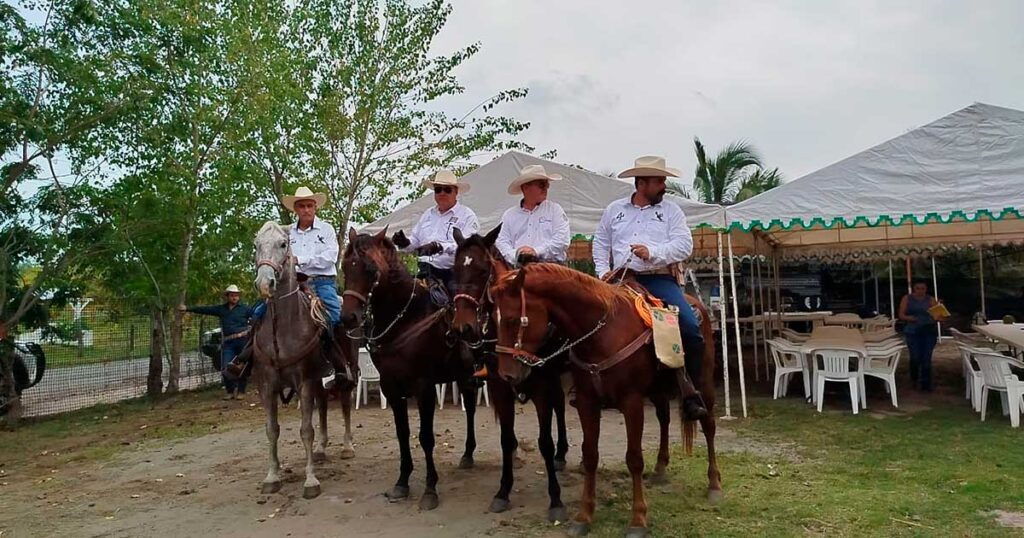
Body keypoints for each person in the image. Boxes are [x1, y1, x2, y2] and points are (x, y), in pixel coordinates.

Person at [592, 155, 708, 420]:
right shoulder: (614, 210)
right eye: (659, 181)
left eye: (663, 180)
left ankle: (690, 392)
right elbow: (600, 243)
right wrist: (601, 272)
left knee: (689, 325)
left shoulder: (671, 211)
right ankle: (592, 385)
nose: (664, 185)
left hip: (657, 279)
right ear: (641, 183)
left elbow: (684, 245)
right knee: (589, 322)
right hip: (620, 280)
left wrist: (651, 252)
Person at [225, 186, 353, 389]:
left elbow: (330, 257)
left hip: (321, 283)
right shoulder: (285, 232)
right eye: (301, 206)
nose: (306, 210)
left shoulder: (326, 229)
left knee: (335, 317)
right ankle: (244, 360)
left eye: (309, 205)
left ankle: (340, 367)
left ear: (315, 207)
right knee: (258, 313)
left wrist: (299, 259)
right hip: (293, 284)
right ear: (295, 209)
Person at [392, 170, 479, 295]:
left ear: (456, 192)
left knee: (458, 304)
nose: (442, 193)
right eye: (438, 189)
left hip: (452, 272)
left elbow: (467, 246)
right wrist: (405, 242)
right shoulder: (428, 214)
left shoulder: (467, 216)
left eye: (447, 190)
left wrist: (439, 247)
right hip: (423, 270)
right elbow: (415, 241)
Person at [180, 285, 254, 400]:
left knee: (241, 367)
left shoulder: (245, 309)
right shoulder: (221, 309)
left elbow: (257, 316)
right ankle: (230, 391)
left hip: (242, 341)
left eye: (236, 295)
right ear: (227, 296)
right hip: (228, 342)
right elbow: (205, 309)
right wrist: (188, 308)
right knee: (225, 367)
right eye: (232, 295)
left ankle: (241, 391)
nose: (234, 297)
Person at [495, 164, 571, 266]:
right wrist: (517, 255)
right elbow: (501, 242)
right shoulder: (509, 215)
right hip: (519, 269)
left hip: (552, 268)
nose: (546, 188)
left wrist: (536, 252)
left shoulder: (555, 210)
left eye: (546, 185)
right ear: (525, 188)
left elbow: (562, 240)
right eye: (541, 185)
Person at [899, 280, 942, 391]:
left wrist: (939, 313)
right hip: (912, 331)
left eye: (923, 288)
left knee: (926, 358)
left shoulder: (931, 299)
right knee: (915, 356)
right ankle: (914, 379)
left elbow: (938, 316)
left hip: (928, 330)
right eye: (918, 288)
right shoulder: (907, 298)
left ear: (926, 289)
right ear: (914, 288)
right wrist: (910, 318)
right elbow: (901, 315)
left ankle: (926, 384)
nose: (920, 291)